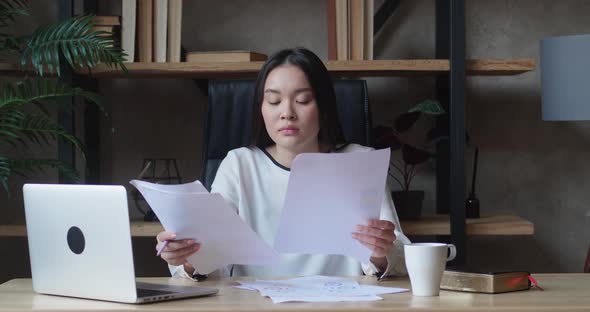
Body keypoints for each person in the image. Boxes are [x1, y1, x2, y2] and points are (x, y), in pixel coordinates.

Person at [156, 47, 410, 280]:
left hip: (341, 303)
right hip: (253, 305)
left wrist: (380, 252)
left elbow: (400, 256)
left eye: (302, 101)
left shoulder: (359, 161)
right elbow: (213, 258)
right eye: (274, 101)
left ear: (323, 106)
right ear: (261, 109)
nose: (286, 112)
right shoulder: (240, 165)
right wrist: (187, 257)